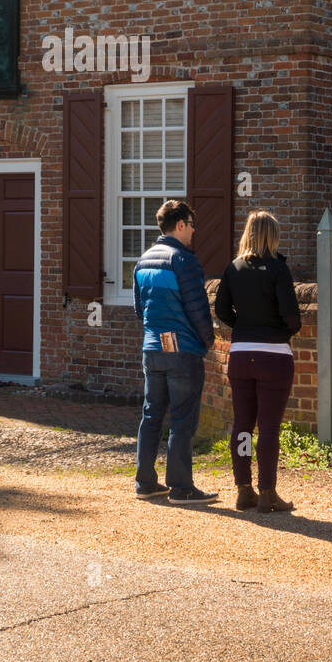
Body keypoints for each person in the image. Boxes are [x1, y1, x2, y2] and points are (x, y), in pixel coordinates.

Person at [132, 199, 219, 506]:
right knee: (183, 418)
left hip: (152, 347)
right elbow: (197, 309)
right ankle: (181, 487)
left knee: (151, 414)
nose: (194, 231)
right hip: (181, 350)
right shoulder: (184, 261)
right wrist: (208, 340)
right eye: (192, 225)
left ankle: (145, 482)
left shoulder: (142, 261)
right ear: (180, 224)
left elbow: (139, 309)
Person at [215, 210, 301, 513]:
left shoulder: (233, 268)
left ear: (248, 233)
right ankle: (267, 492)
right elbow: (292, 315)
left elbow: (221, 308)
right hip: (274, 355)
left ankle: (243, 489)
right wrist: (282, 330)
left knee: (242, 425)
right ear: (273, 236)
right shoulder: (278, 270)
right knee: (268, 429)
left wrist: (243, 325)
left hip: (240, 354)